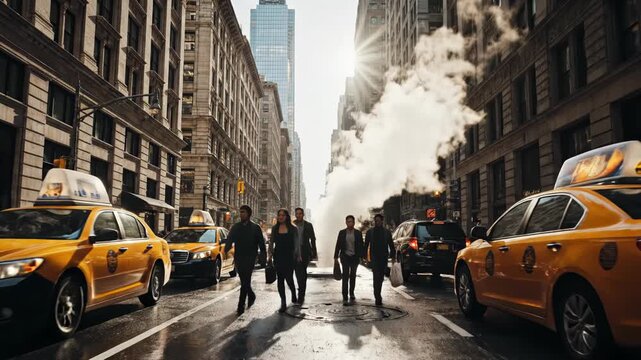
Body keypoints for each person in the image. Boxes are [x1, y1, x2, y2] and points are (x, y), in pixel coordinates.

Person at [225, 205, 266, 315]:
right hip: (238, 257)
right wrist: (226, 250)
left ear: (248, 214)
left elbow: (261, 244)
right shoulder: (236, 227)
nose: (241, 214)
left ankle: (241, 305)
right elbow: (230, 240)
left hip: (250, 258)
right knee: (244, 281)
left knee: (246, 280)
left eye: (243, 212)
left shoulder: (256, 227)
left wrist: (263, 259)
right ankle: (251, 295)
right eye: (240, 212)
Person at [269, 209, 301, 312]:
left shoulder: (293, 229)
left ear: (286, 217)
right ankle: (283, 302)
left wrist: (298, 255)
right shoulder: (275, 228)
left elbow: (297, 244)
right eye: (279, 215)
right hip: (278, 256)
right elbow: (271, 242)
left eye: (283, 215)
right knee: (280, 280)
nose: (280, 217)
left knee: (289, 279)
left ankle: (293, 292)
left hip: (289, 257)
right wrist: (269, 255)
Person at [364, 214, 396, 306]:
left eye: (378, 220)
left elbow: (391, 245)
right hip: (374, 258)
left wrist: (393, 257)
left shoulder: (387, 232)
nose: (376, 222)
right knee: (376, 277)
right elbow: (366, 245)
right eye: (375, 220)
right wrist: (365, 257)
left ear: (382, 221)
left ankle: (378, 293)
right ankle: (377, 296)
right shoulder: (370, 232)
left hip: (383, 258)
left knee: (381, 278)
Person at [334, 215, 364, 306]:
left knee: (353, 275)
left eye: (351, 221)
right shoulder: (342, 233)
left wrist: (361, 257)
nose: (349, 223)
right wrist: (335, 257)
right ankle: (344, 295)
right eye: (348, 221)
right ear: (346, 222)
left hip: (354, 257)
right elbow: (338, 245)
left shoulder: (358, 233)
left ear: (354, 223)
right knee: (345, 275)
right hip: (345, 257)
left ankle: (351, 293)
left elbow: (361, 246)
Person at [293, 207, 317, 304]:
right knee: (298, 273)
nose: (298, 215)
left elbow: (313, 239)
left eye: (300, 213)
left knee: (302, 272)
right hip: (294, 252)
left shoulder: (308, 225)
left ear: (303, 215)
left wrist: (314, 251)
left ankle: (301, 294)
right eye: (297, 213)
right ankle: (300, 292)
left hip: (305, 251)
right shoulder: (292, 224)